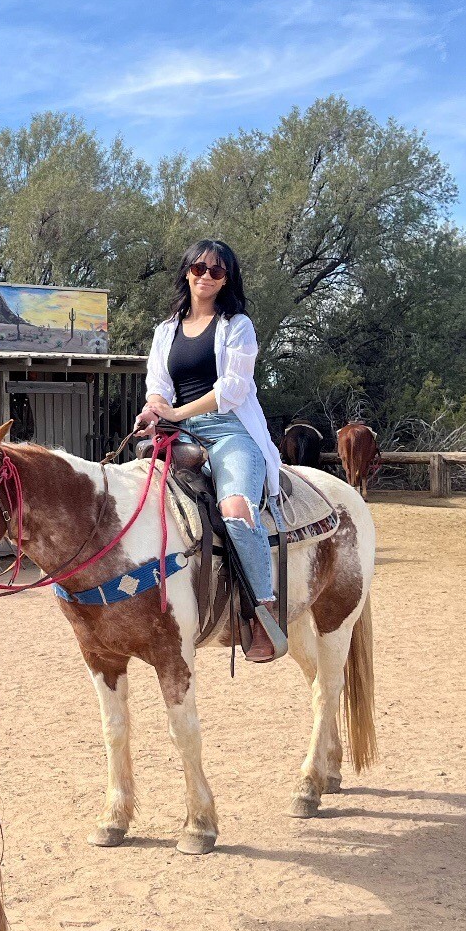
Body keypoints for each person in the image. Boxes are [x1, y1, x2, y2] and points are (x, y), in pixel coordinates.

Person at [137, 239, 287, 663]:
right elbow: (158, 385)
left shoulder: (237, 326)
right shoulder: (165, 330)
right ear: (187, 272)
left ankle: (263, 611)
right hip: (179, 432)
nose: (206, 276)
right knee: (134, 499)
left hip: (230, 431)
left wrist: (176, 412)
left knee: (236, 513)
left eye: (216, 271)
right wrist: (152, 412)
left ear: (226, 280)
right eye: (199, 268)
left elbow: (232, 391)